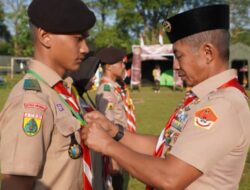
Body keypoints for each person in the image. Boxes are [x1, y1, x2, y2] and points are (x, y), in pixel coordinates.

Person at [82, 4, 250, 190]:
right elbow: (165, 147)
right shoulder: (207, 98)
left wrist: (108, 146)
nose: (176, 66)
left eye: (180, 56)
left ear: (207, 53)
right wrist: (114, 131)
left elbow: (170, 177)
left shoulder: (222, 105)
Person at [0, 0, 96, 190]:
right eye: (78, 39)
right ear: (45, 37)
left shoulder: (61, 93)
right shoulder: (33, 101)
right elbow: (17, 184)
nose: (85, 48)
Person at [94, 47, 136, 190]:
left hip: (123, 141)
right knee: (115, 183)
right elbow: (108, 124)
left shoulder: (116, 87)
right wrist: (113, 156)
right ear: (109, 67)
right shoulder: (106, 91)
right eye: (120, 63)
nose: (124, 66)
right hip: (116, 145)